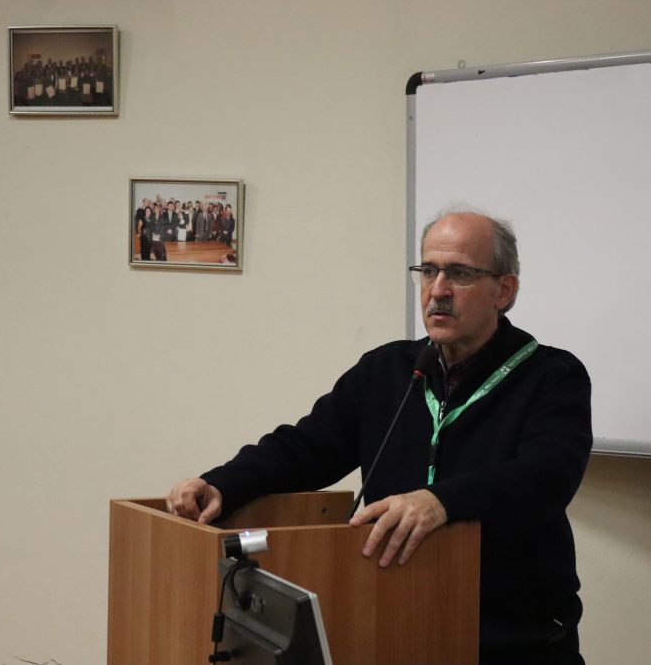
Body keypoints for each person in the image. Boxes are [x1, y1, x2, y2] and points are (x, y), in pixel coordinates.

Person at [167, 209, 592, 664]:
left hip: (513, 640)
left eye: (460, 274)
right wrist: (222, 484)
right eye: (428, 271)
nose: (438, 290)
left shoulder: (552, 376)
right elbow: (304, 448)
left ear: (503, 290)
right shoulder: (389, 370)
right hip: (397, 623)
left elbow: (545, 477)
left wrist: (441, 501)